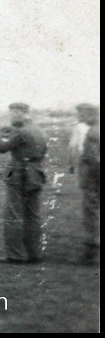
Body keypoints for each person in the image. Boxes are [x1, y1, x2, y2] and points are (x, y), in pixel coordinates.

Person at [0, 102, 48, 264]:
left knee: (13, 214)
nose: (11, 116)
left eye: (13, 112)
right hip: (36, 173)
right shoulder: (40, 131)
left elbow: (2, 148)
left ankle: (15, 255)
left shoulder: (19, 132)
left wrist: (3, 134)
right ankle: (35, 253)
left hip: (20, 174)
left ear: (20, 113)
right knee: (33, 215)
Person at [73, 104, 99, 265]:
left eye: (81, 113)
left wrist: (90, 180)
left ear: (89, 114)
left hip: (93, 180)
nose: (78, 117)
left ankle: (92, 255)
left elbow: (95, 160)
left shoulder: (93, 132)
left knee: (91, 214)